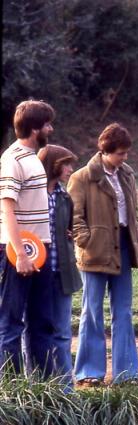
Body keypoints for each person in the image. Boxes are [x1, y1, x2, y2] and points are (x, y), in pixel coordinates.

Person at [68, 123, 138, 386]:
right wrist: (85, 240)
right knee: (92, 310)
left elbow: (132, 211)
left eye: (126, 153)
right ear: (106, 151)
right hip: (95, 250)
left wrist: (137, 235)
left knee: (123, 310)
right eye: (120, 153)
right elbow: (74, 216)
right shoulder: (81, 178)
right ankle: (89, 371)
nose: (124, 158)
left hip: (123, 245)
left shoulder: (127, 174)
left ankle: (127, 373)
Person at [0, 99, 55, 378]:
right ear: (35, 128)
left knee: (41, 321)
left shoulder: (34, 158)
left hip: (40, 249)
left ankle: (46, 390)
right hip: (17, 251)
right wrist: (19, 253)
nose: (51, 128)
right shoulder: (12, 159)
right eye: (47, 124)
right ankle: (10, 391)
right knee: (11, 322)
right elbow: (6, 206)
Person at [33, 144, 82, 389]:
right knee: (36, 330)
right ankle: (38, 386)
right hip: (35, 272)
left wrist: (71, 235)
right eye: (66, 164)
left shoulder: (65, 197)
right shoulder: (32, 194)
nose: (70, 169)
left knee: (63, 333)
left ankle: (65, 390)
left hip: (62, 272)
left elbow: (72, 228)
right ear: (53, 165)